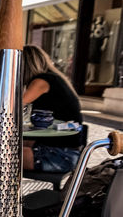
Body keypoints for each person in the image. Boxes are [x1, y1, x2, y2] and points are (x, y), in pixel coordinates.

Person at [22, 45, 83, 173]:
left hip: (61, 156)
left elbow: (14, 107)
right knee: (6, 146)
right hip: (66, 151)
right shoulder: (55, 78)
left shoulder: (41, 81)